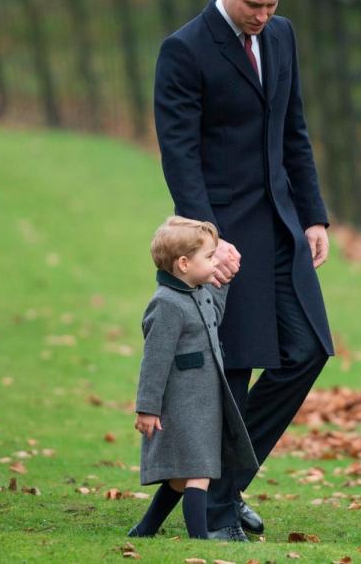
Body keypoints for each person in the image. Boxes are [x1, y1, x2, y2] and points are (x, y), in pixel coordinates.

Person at [153, 0, 333, 541]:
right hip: (224, 234)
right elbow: (179, 154)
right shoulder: (183, 50)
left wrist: (313, 216)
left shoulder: (282, 37)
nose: (263, 15)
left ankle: (224, 486)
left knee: (307, 350)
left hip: (282, 224)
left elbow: (295, 129)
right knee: (232, 369)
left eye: (273, 4)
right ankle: (219, 511)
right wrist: (209, 240)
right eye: (254, 4)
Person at [129, 217, 256, 539]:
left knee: (178, 479)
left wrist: (222, 281)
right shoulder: (166, 304)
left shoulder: (195, 292)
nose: (215, 262)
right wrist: (147, 408)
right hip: (182, 405)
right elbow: (154, 362)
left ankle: (145, 529)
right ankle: (200, 540)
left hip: (203, 404)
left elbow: (213, 317)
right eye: (209, 257)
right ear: (184, 263)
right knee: (199, 474)